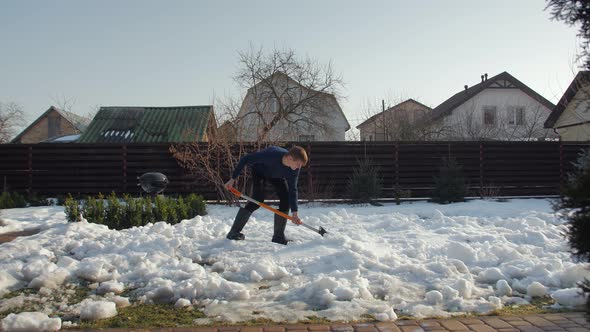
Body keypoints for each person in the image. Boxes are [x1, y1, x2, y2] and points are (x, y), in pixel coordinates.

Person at [224, 145, 308, 245]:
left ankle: (278, 236)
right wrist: (232, 179)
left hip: (276, 176)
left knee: (285, 199)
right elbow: (245, 159)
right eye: (298, 164)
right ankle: (234, 232)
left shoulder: (294, 170)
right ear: (290, 158)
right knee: (257, 200)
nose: (299, 167)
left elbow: (293, 190)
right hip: (260, 171)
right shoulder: (271, 155)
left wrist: (295, 213)